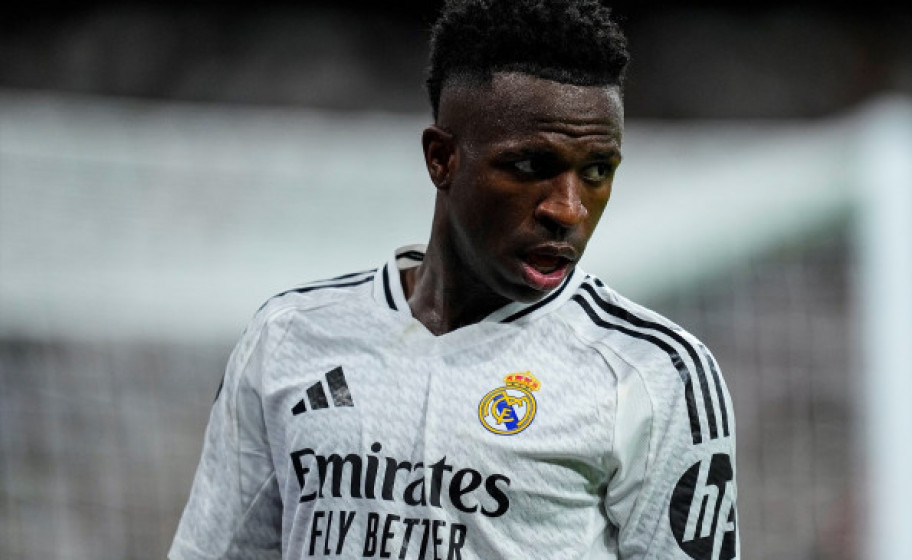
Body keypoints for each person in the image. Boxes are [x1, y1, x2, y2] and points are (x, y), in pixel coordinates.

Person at [169, 1, 739, 559]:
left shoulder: (655, 373)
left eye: (596, 171)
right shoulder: (288, 337)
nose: (568, 209)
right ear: (442, 159)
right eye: (530, 166)